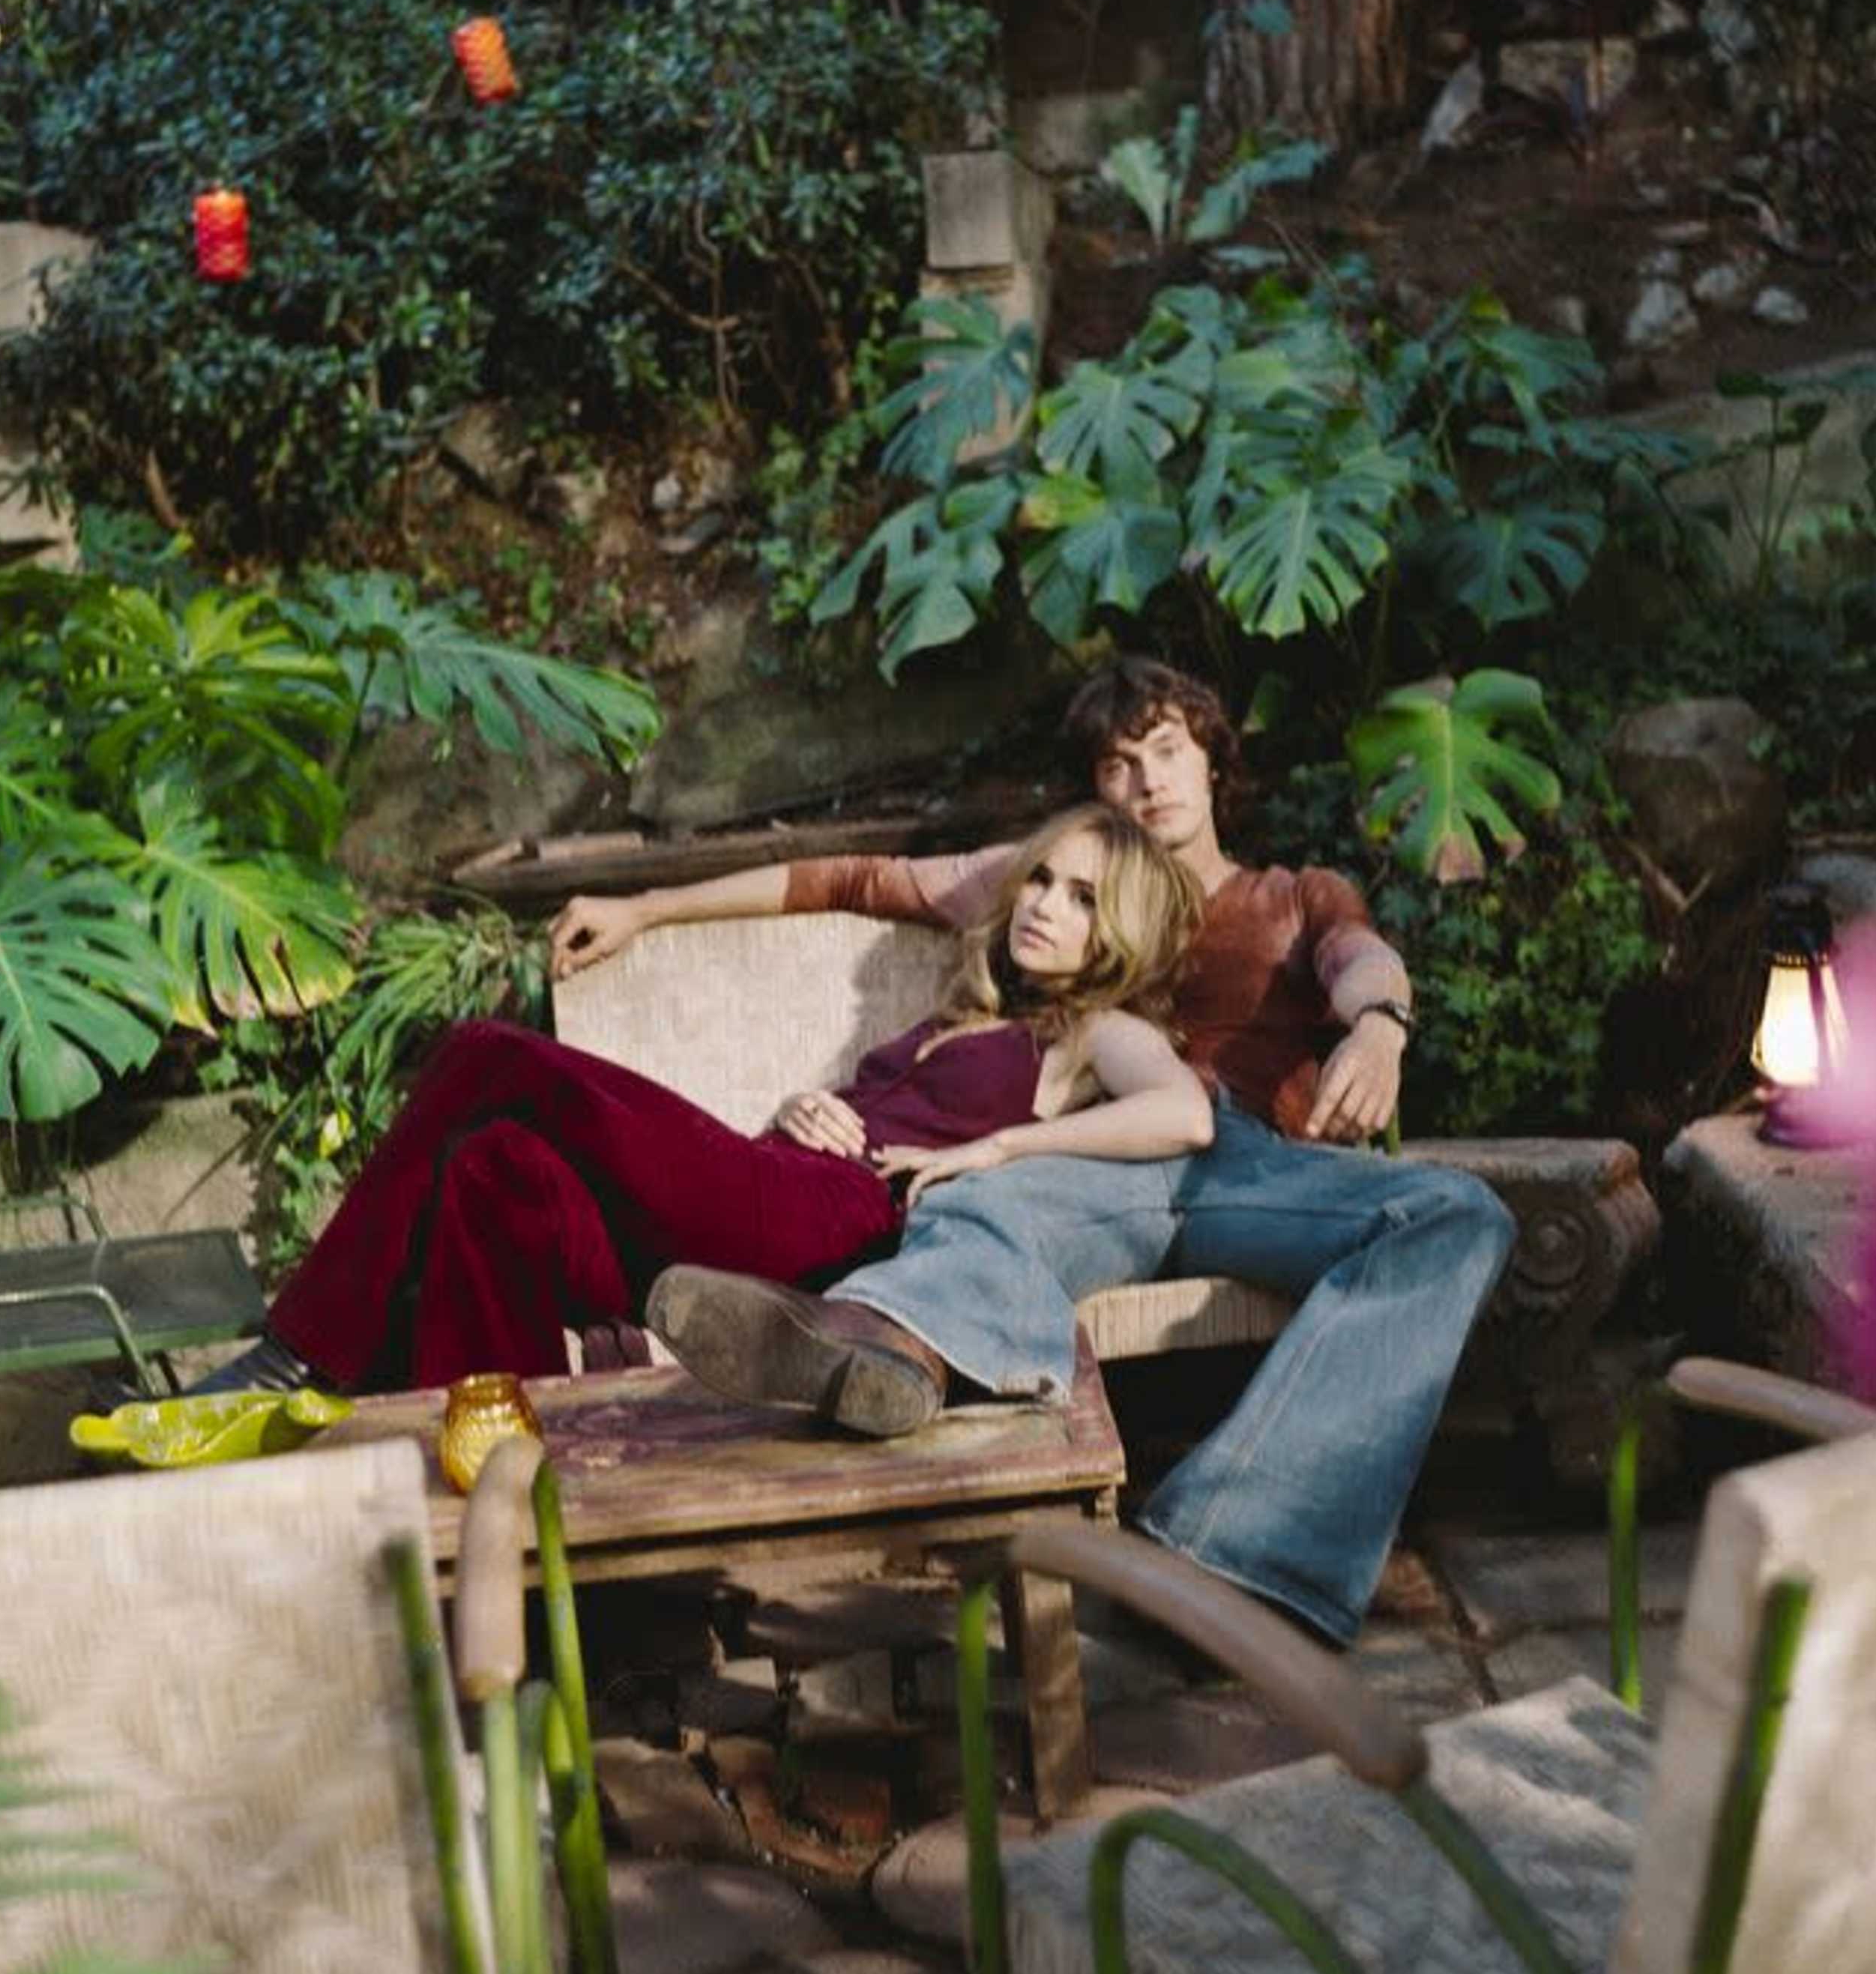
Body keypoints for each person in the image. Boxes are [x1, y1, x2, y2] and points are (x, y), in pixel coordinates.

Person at [555, 657, 1516, 1647]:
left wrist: (1382, 1027)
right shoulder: (1058, 876)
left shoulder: (1289, 896)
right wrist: (645, 909)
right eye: (1117, 764)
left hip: (1240, 1162)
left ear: (1214, 761)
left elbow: (1363, 960)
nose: (1148, 782)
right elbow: (844, 880)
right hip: (1086, 1151)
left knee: (1454, 1213)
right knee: (993, 1200)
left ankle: (1240, 1551)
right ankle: (875, 1345)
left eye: (1169, 751)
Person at [185, 805, 1210, 1398]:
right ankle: (512, 1475)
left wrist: (997, 1150)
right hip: (768, 1192)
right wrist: (813, 1099)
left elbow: (1184, 1114)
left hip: (833, 1226)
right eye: (1042, 882)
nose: (1043, 906)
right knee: (495, 1175)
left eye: (1082, 899)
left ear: (1117, 930)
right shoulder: (972, 1005)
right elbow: (841, 884)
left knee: (490, 1054)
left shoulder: (1087, 1033)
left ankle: (304, 1351)